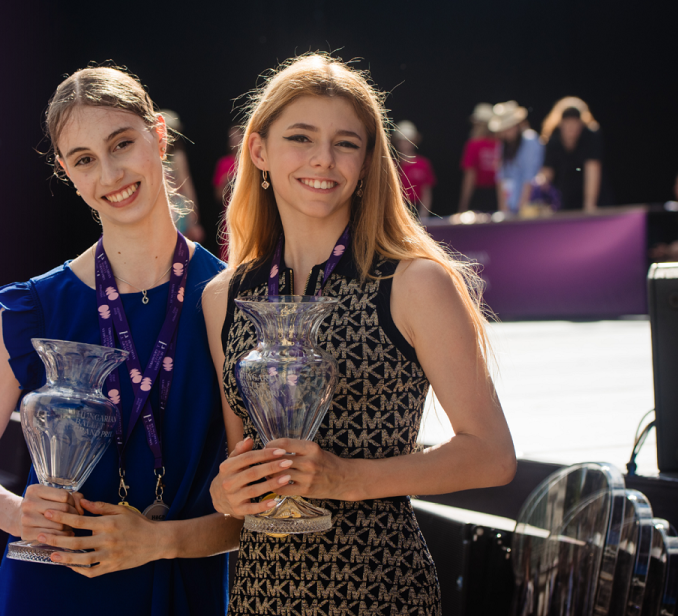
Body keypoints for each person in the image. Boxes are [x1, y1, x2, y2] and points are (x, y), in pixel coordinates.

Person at [203, 53, 517, 616]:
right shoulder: (223, 296)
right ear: (258, 151)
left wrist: (346, 478)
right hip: (259, 594)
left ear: (369, 160)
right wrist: (226, 492)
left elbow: (491, 456)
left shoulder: (414, 281)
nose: (324, 159)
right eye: (301, 137)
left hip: (381, 590)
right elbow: (243, 458)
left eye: (346, 142)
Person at [0, 66, 236, 616]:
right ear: (66, 173)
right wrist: (18, 516)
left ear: (159, 136)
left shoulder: (227, 298)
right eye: (83, 160)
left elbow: (257, 511)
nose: (109, 173)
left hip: (178, 588)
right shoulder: (34, 308)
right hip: (54, 588)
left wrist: (159, 542)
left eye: (121, 143)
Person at [539, 97, 605, 212]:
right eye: (567, 122)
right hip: (563, 199)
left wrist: (589, 207)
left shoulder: (590, 137)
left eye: (575, 122)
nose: (571, 127)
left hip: (591, 196)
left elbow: (592, 170)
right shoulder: (552, 140)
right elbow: (546, 175)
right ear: (560, 123)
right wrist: (543, 202)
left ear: (581, 123)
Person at [490, 101, 545, 214]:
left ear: (517, 124)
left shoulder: (530, 141)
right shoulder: (502, 145)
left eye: (508, 127)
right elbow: (500, 178)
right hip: (511, 207)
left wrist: (522, 209)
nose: (506, 132)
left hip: (531, 207)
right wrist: (503, 210)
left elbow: (529, 177)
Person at [160, 109, 205, 242]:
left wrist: (194, 220)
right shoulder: (156, 158)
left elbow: (187, 186)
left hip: (177, 211)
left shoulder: (177, 157)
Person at [458, 102, 499, 213]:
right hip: (499, 195)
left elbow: (469, 177)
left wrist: (463, 205)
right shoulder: (501, 143)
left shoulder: (473, 144)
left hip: (481, 195)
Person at [391, 120, 436, 218]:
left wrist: (424, 215)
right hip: (397, 208)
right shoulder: (391, 164)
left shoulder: (423, 163)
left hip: (417, 207)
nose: (404, 144)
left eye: (408, 140)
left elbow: (426, 192)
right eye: (401, 141)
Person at [213, 125, 243, 260]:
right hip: (230, 216)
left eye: (237, 136)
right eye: (231, 137)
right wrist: (227, 181)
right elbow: (218, 196)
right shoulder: (224, 163)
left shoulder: (251, 162)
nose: (234, 140)